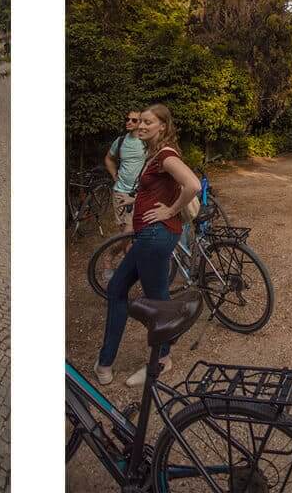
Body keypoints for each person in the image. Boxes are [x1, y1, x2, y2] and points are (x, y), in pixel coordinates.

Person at [95, 104, 202, 388]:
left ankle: (162, 360)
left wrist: (169, 210)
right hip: (149, 235)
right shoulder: (152, 153)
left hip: (157, 236)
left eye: (148, 122)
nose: (141, 126)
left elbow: (193, 184)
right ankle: (105, 361)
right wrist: (137, 201)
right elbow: (157, 188)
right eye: (139, 121)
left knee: (158, 302)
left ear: (162, 126)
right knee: (118, 290)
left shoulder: (165, 155)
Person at [103, 110, 144, 233]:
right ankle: (126, 252)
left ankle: (119, 251)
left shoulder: (147, 142)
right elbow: (109, 159)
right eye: (127, 119)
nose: (129, 122)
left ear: (140, 123)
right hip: (119, 192)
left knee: (131, 231)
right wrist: (115, 176)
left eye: (134, 120)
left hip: (138, 193)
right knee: (122, 230)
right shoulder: (120, 141)